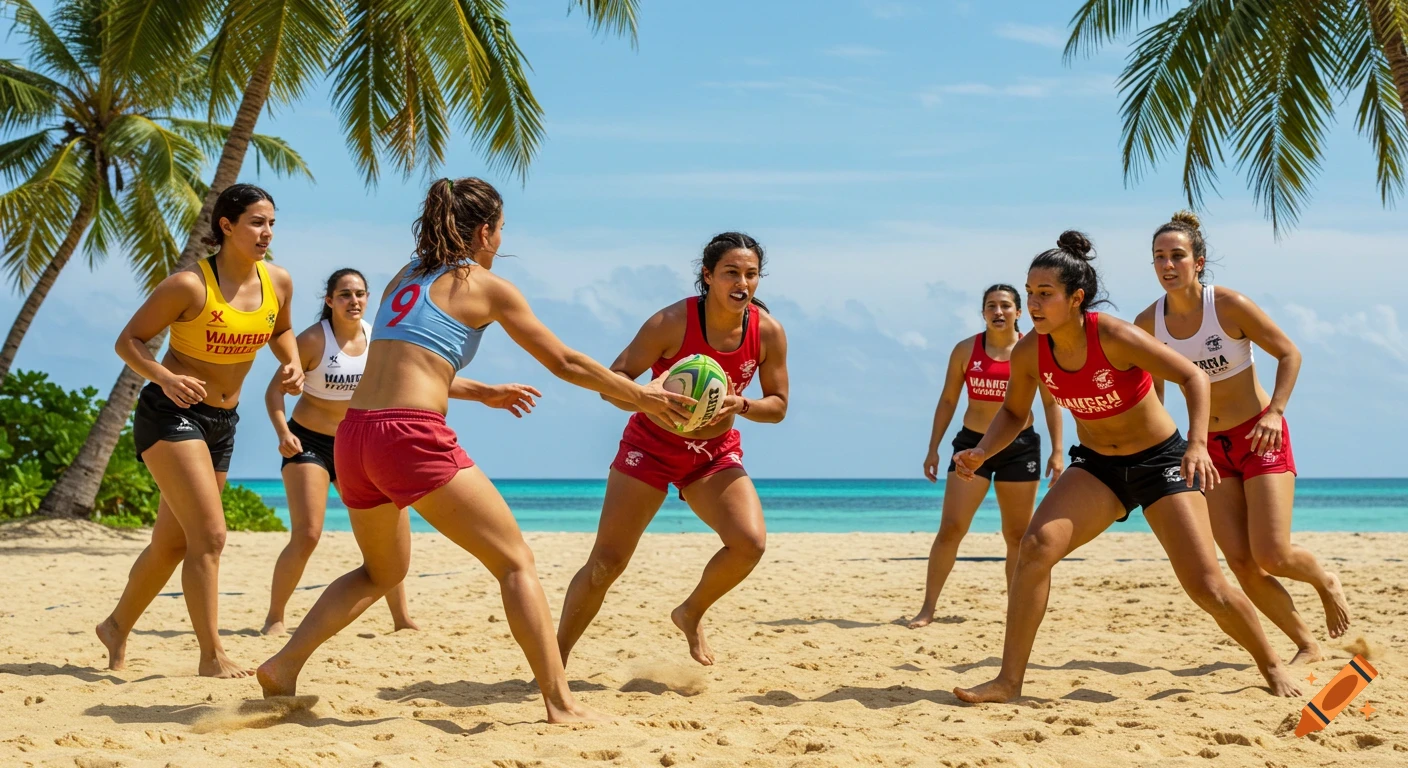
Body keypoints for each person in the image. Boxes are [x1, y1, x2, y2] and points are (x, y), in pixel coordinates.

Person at [256, 177, 694, 723]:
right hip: (409, 435)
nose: (500, 240)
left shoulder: (403, 279)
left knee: (380, 572)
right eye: (501, 229)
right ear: (485, 230)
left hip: (354, 435)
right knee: (515, 562)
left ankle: (284, 664)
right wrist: (640, 396)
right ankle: (560, 704)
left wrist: (482, 391)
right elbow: (565, 362)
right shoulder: (486, 286)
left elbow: (404, 366)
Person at [950, 230, 1301, 704]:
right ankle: (1008, 682)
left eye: (1045, 294)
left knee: (1206, 586)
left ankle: (1273, 665)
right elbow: (1014, 412)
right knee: (1034, 548)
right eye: (1030, 293)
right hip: (1098, 467)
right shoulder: (1031, 350)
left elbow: (1192, 375)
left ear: (1076, 298)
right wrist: (982, 452)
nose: (1032, 304)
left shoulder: (1112, 334)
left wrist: (1196, 445)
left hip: (1160, 462)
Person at [260, 268, 545, 636]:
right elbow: (274, 391)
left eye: (360, 294)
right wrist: (283, 432)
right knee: (309, 533)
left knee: (393, 534)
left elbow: (423, 375)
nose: (354, 301)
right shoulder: (314, 340)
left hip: (360, 442)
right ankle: (275, 616)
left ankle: (401, 618)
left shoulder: (376, 335)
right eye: (345, 294)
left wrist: (486, 392)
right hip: (309, 443)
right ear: (329, 301)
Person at [96, 184, 303, 678]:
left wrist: (292, 362)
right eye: (256, 222)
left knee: (173, 544)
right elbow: (129, 341)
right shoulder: (189, 285)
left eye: (271, 222)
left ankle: (116, 626)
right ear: (226, 226)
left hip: (223, 423)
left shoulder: (278, 281)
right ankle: (211, 655)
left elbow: (280, 331)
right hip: (170, 414)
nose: (266, 232)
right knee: (209, 537)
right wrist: (166, 376)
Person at [556, 232, 790, 668]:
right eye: (731, 273)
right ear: (708, 275)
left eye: (751, 274)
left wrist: (742, 403)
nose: (742, 282)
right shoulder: (671, 323)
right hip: (650, 446)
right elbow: (614, 381)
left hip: (713, 453)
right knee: (607, 563)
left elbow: (777, 407)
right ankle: (555, 661)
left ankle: (691, 611)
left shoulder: (768, 332)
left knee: (749, 543)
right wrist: (646, 393)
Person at [1135, 211, 1348, 662]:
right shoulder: (1148, 323)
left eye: (1177, 256)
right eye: (1159, 258)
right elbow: (1151, 394)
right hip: (1207, 451)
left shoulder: (1228, 305)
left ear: (1199, 261)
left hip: (1259, 437)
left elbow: (1289, 353)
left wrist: (1276, 412)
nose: (1167, 265)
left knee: (1273, 554)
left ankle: (1325, 580)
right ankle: (1306, 644)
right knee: (1241, 563)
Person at [909, 285, 1064, 629]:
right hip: (971, 446)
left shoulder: (1035, 349)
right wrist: (933, 447)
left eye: (1006, 305)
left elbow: (1052, 402)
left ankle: (1016, 610)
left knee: (1016, 535)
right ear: (982, 312)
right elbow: (948, 400)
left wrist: (1056, 451)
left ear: (1018, 312)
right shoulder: (965, 350)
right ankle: (927, 608)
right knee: (951, 528)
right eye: (991, 306)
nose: (998, 311)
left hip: (1019, 447)